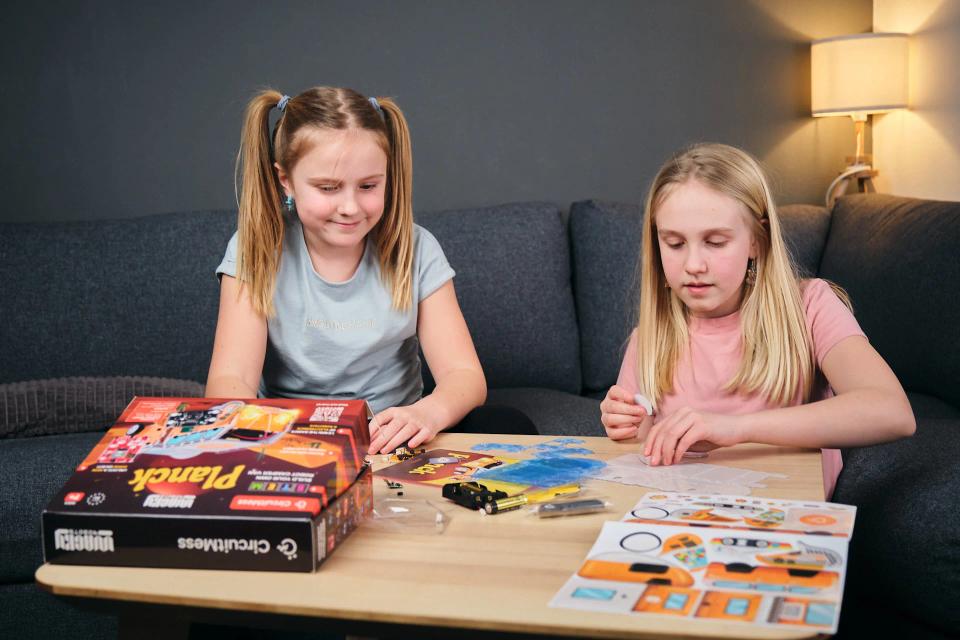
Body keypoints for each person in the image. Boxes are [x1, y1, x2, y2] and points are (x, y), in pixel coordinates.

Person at [206, 86, 535, 454]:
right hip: (291, 439)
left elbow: (465, 375)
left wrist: (427, 414)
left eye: (368, 186)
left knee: (509, 425)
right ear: (286, 180)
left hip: (394, 437)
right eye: (328, 187)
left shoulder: (416, 248)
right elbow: (231, 378)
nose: (350, 207)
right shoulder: (255, 249)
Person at [599, 143, 915, 498]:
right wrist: (628, 426)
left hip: (785, 510)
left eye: (715, 242)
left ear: (757, 241)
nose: (693, 265)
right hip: (684, 514)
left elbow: (891, 412)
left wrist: (734, 428)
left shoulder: (809, 306)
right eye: (674, 243)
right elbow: (641, 455)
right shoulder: (650, 338)